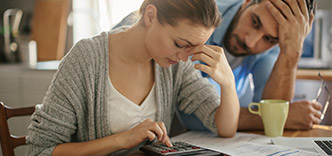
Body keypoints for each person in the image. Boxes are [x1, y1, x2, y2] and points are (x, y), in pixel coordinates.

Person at [26, 0, 240, 155]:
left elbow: (224, 128)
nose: (185, 57)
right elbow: (41, 150)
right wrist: (121, 140)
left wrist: (228, 83)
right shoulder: (86, 59)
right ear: (150, 16)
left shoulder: (173, 66)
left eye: (193, 48)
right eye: (180, 44)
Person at [114, 0, 321, 131]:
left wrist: (291, 52)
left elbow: (273, 121)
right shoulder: (197, 17)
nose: (251, 41)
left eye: (269, 39)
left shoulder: (273, 47)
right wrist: (280, 118)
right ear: (247, 2)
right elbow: (198, 117)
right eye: (255, 22)